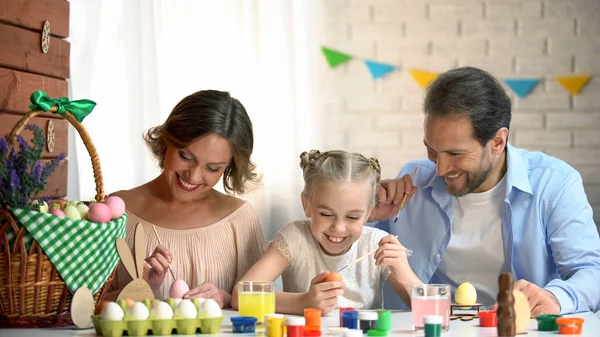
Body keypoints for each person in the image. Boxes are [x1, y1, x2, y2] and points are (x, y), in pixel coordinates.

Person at [370, 66, 600, 316]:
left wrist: (556, 297)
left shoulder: (554, 184)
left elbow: (591, 271)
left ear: (498, 142)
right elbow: (352, 256)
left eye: (455, 154)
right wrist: (366, 214)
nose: (439, 168)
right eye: (432, 150)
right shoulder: (413, 181)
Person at [108, 90, 267, 307]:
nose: (192, 176)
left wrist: (227, 299)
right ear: (166, 141)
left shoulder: (239, 221)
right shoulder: (116, 213)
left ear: (229, 168)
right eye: (185, 156)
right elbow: (78, 311)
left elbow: (261, 308)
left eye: (212, 168)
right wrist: (137, 290)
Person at [232, 150, 422, 315]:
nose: (338, 228)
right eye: (326, 214)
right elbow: (240, 295)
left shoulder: (375, 244)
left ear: (369, 211)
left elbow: (430, 311)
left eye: (353, 217)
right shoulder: (294, 238)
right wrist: (303, 302)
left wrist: (404, 272)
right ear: (306, 205)